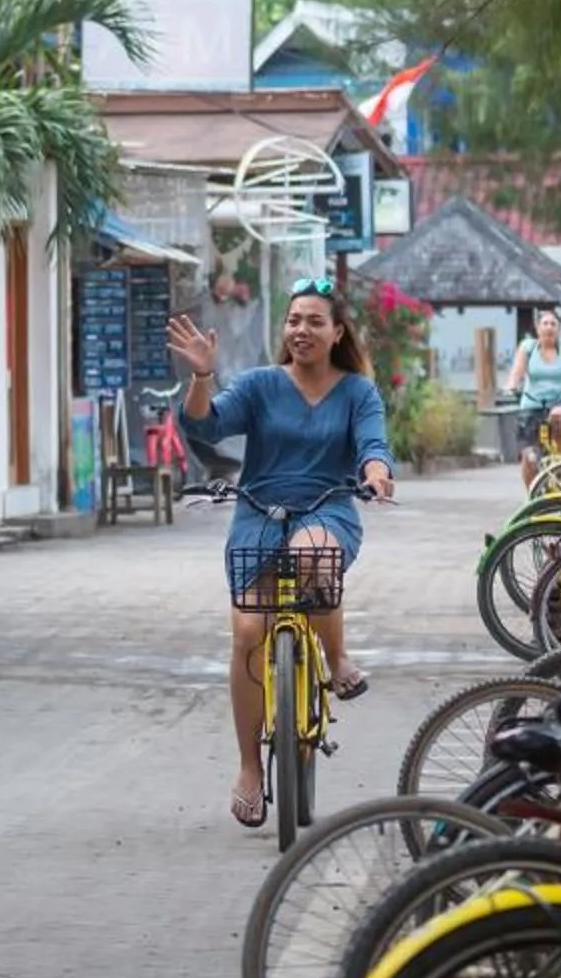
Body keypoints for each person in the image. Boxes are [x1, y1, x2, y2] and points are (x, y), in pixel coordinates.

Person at [167, 279, 395, 830]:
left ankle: (335, 657)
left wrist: (377, 474)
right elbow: (205, 424)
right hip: (258, 513)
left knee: (314, 555)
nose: (302, 330)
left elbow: (372, 444)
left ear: (337, 332)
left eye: (315, 321)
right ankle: (249, 767)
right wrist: (202, 375)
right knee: (248, 632)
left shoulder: (357, 391)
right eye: (294, 320)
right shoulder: (261, 384)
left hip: (327, 508)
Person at [505, 308, 561, 484]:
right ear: (537, 328)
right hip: (532, 404)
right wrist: (511, 385)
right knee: (530, 459)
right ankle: (532, 498)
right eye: (545, 323)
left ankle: (560, 461)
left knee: (558, 416)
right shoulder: (528, 346)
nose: (549, 327)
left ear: (559, 329)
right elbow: (517, 370)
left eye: (553, 324)